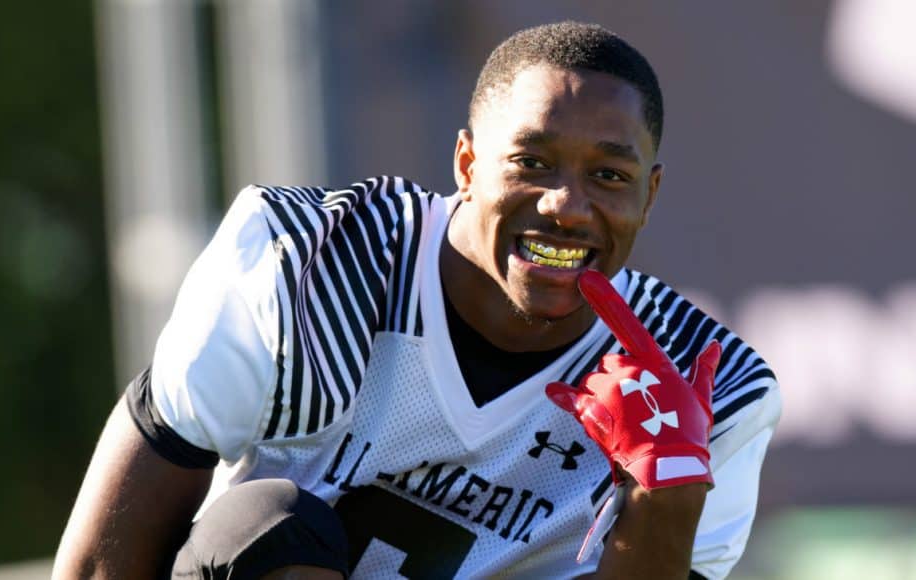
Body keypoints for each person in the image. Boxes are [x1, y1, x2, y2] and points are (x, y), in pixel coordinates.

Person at [54, 21, 780, 579]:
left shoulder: (709, 385)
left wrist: (667, 493)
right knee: (264, 523)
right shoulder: (305, 262)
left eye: (609, 176)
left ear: (649, 195)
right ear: (466, 163)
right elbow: (101, 558)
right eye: (530, 162)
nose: (566, 205)